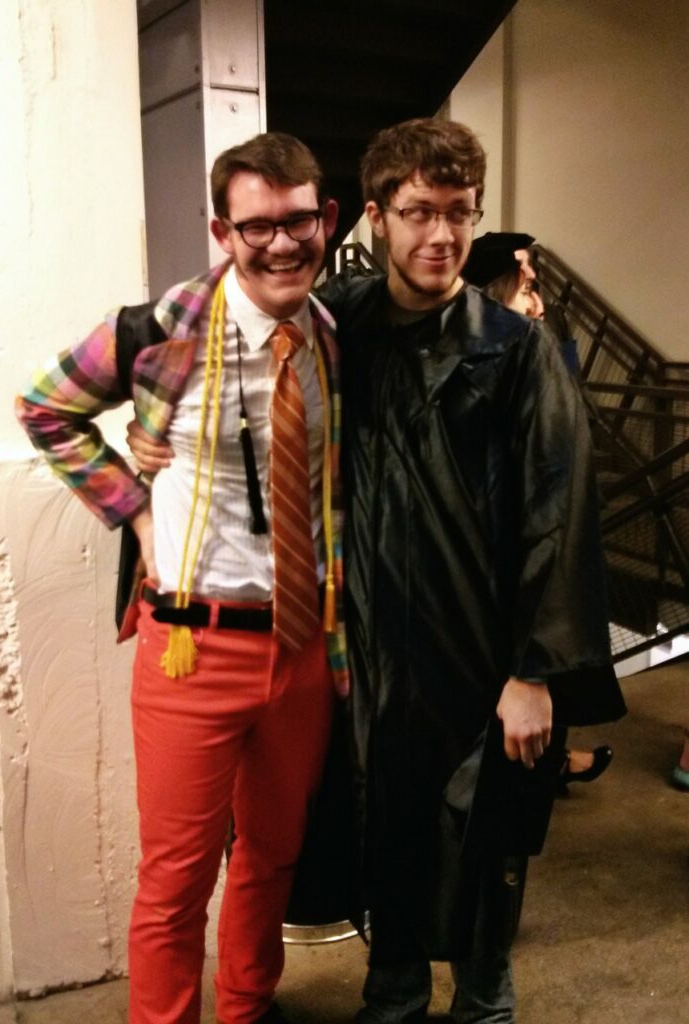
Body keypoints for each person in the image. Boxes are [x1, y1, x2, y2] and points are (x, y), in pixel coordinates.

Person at [127, 118, 627, 1024]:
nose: (442, 234)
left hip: (479, 646)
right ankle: (392, 993)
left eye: (459, 213)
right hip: (367, 644)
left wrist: (534, 672)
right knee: (384, 826)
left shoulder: (511, 352)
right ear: (375, 216)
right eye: (419, 212)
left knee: (483, 838)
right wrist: (146, 439)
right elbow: (207, 333)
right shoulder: (337, 322)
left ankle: (483, 1002)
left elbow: (559, 513)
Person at [16, 132, 345, 1024]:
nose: (282, 244)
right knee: (176, 879)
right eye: (257, 226)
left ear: (326, 219)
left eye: (298, 221)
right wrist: (132, 507)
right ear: (222, 233)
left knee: (272, 860)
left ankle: (247, 1009)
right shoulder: (163, 330)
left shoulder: (333, 335)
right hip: (190, 649)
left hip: (302, 644)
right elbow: (43, 406)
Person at [464, 230, 617, 796]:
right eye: (526, 288)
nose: (539, 304)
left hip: (526, 600)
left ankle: (553, 762)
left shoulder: (538, 361)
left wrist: (532, 668)